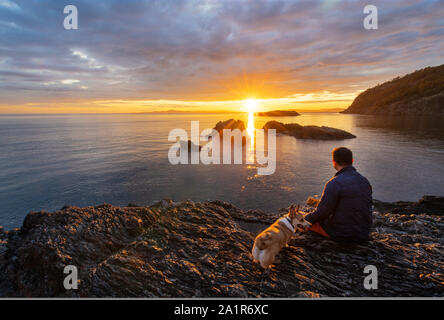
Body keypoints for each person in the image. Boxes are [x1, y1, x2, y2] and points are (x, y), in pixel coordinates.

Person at [304, 147, 373, 243]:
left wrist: (305, 219)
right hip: (363, 233)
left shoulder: (335, 183)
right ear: (352, 161)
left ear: (334, 162)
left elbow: (323, 212)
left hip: (341, 234)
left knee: (298, 219)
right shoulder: (365, 181)